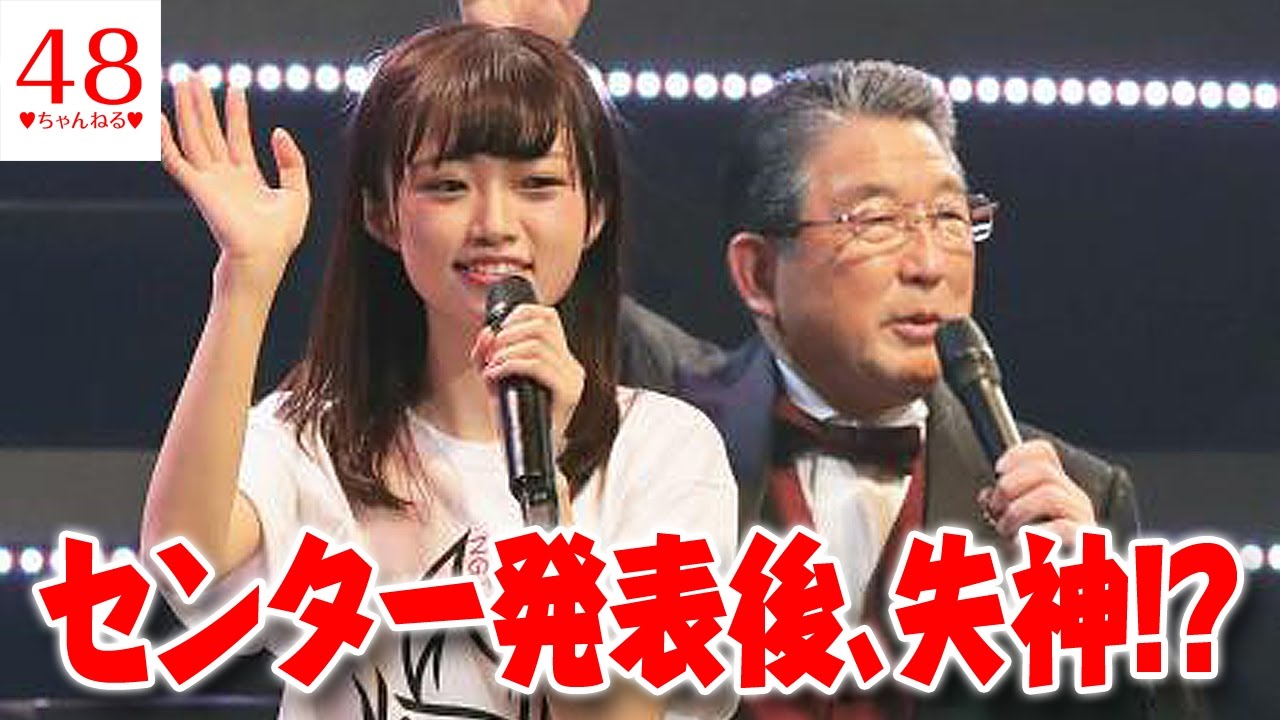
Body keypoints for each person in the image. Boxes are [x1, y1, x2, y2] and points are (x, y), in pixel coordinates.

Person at [140, 23, 736, 720]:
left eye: (538, 185)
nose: (495, 223)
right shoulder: (316, 437)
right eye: (449, 186)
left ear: (595, 213)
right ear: (381, 214)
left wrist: (547, 496)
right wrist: (245, 279)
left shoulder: (664, 448)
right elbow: (185, 564)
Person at [678, 59, 1188, 718]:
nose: (927, 264)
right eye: (876, 221)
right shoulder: (650, 450)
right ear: (758, 273)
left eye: (950, 217)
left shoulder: (1082, 499)